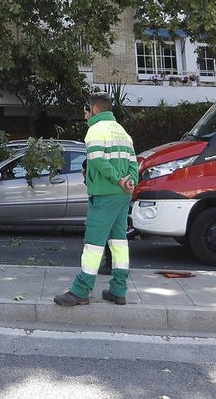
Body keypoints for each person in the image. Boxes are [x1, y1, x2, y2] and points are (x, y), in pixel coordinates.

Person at [54, 92, 137, 307]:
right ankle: (118, 290)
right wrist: (129, 182)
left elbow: (98, 160)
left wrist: (118, 180)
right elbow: (133, 163)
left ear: (95, 110)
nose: (85, 115)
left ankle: (81, 290)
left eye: (86, 110)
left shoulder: (95, 130)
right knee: (118, 242)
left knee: (93, 243)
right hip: (122, 195)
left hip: (104, 193)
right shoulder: (122, 132)